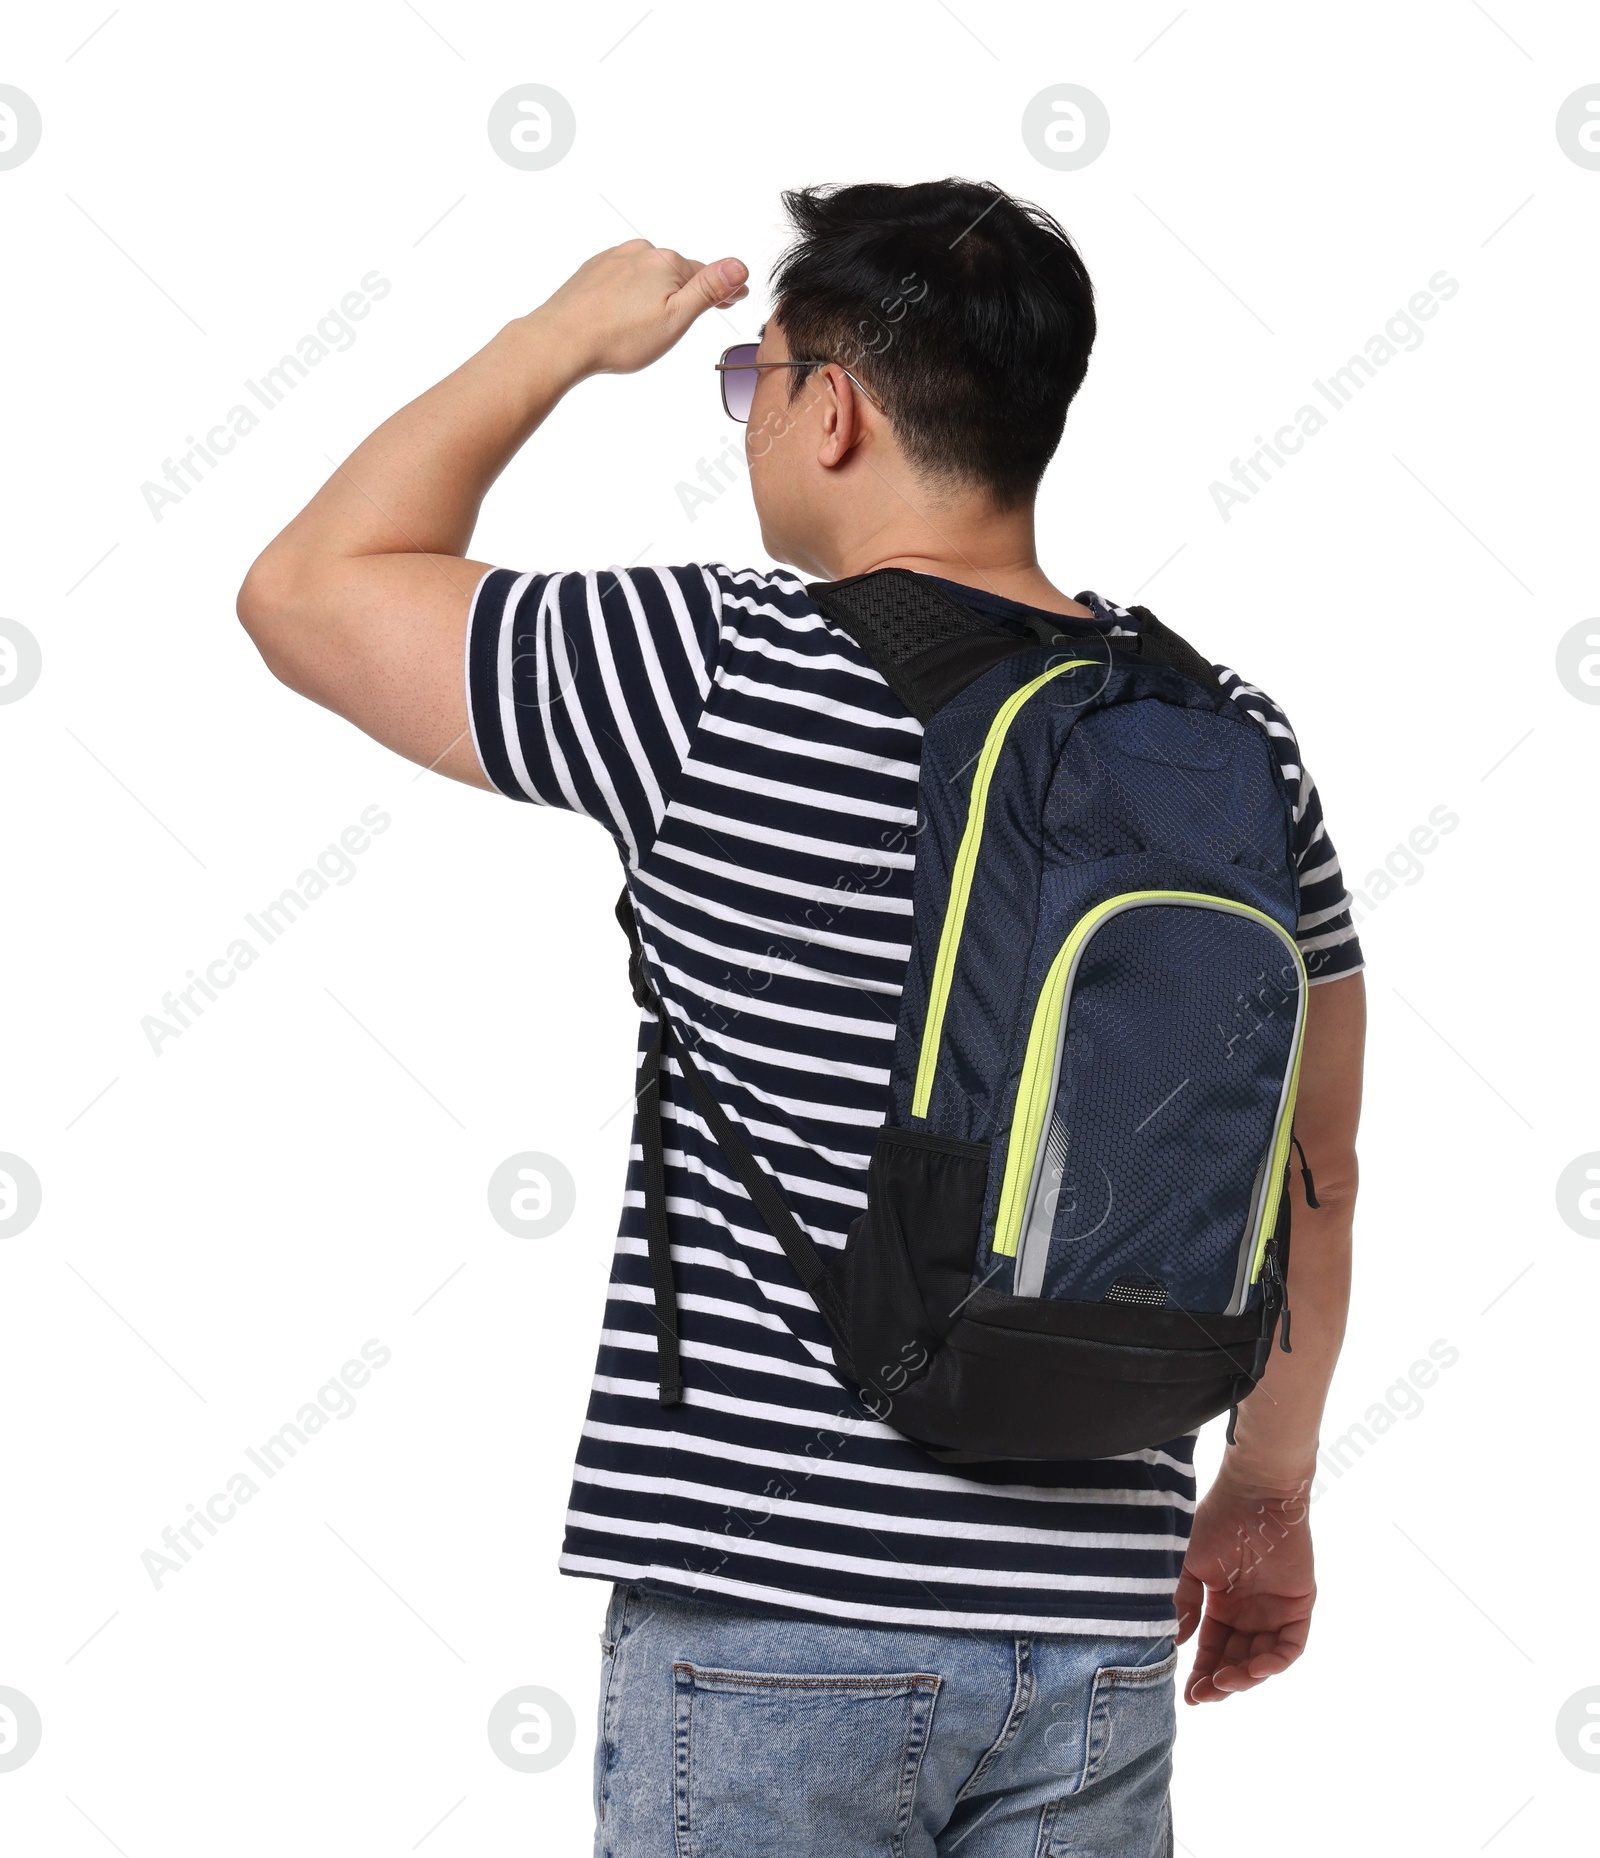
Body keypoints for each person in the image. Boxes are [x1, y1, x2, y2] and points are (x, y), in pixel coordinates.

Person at [238, 178, 1365, 1857]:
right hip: (1094, 1624)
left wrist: (559, 341)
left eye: (750, 379)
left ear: (826, 410)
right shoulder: (1229, 733)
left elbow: (307, 589)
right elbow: (1311, 1158)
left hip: (771, 1629)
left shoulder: (709, 667)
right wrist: (1266, 1492)